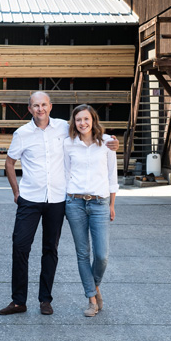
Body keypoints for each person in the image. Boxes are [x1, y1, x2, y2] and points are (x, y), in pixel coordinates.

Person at [0, 92, 118, 316]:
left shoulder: (64, 128)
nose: (40, 109)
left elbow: (92, 134)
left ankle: (45, 300)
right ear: (30, 108)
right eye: (36, 105)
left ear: (50, 107)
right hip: (30, 199)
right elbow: (9, 163)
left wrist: (112, 142)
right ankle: (18, 301)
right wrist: (16, 192)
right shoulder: (21, 133)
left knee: (50, 250)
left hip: (57, 200)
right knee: (20, 247)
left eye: (44, 105)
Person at [63, 104, 118, 317]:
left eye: (86, 119)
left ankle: (95, 286)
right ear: (74, 123)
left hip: (100, 202)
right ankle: (91, 299)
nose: (83, 123)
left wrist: (112, 204)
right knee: (82, 253)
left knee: (102, 255)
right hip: (75, 203)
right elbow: (66, 174)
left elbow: (112, 176)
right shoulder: (68, 144)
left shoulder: (107, 143)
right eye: (78, 120)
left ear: (93, 120)